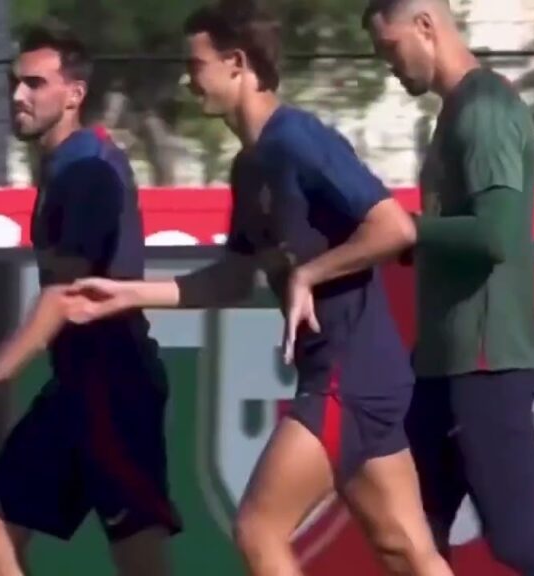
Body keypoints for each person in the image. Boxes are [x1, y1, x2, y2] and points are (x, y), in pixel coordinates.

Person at [60, 2, 453, 575]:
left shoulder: (299, 139)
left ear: (237, 64)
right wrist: (129, 294)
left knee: (258, 529)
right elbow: (233, 277)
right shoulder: (249, 167)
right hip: (352, 376)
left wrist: (310, 273)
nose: (187, 79)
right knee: (406, 551)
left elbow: (393, 227)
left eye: (195, 65)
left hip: (350, 375)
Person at [362, 1, 534, 574]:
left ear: (426, 26)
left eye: (390, 47)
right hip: (441, 364)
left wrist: (408, 231)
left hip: (485, 361)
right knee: (412, 538)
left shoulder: (485, 110)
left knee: (516, 538)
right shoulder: (456, 112)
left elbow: (494, 235)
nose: (387, 64)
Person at [0, 23, 180, 576]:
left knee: (138, 558)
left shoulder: (86, 170)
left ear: (75, 94)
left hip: (115, 387)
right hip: (76, 386)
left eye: (34, 83)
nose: (17, 96)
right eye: (14, 83)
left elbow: (64, 292)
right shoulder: (64, 166)